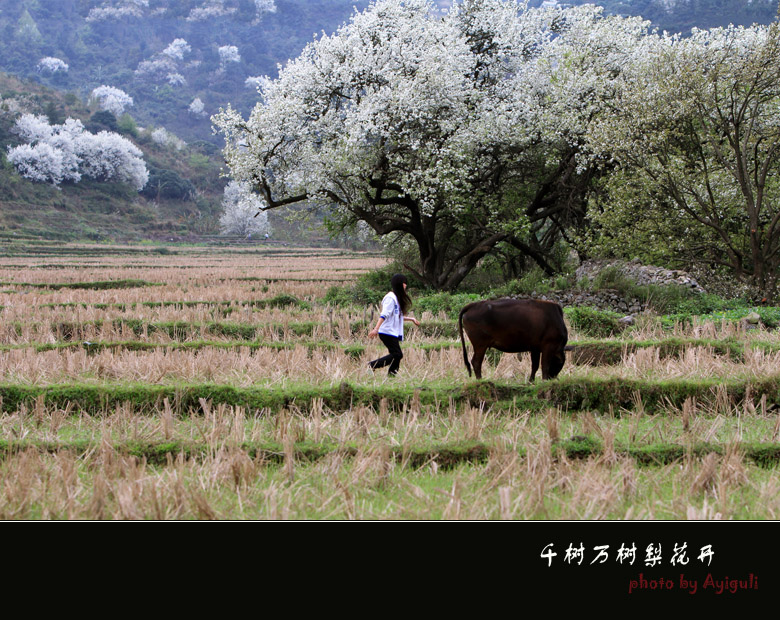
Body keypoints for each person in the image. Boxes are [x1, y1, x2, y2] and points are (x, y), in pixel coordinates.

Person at [368, 273, 420, 376]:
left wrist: (411, 319)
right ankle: (372, 365)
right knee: (397, 354)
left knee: (397, 355)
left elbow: (397, 316)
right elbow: (384, 315)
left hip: (392, 332)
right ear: (399, 284)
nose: (406, 286)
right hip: (386, 331)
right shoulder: (390, 298)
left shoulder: (396, 298)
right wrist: (376, 329)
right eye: (404, 283)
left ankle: (392, 375)